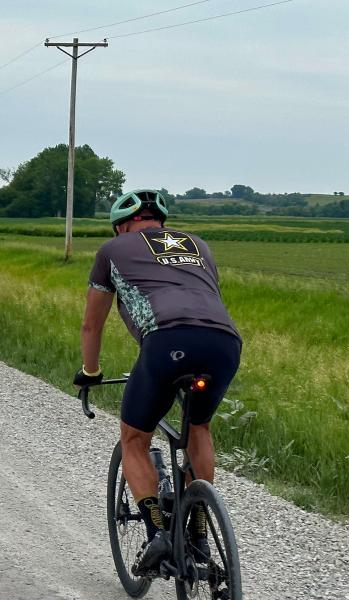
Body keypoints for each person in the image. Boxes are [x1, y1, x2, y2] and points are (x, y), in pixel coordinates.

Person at [74, 188, 241, 573]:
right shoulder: (199, 245)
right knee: (199, 427)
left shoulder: (111, 251)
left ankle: (158, 535)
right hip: (223, 342)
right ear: (159, 221)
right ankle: (198, 530)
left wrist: (91, 371)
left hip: (167, 341)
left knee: (134, 438)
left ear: (121, 225)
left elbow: (91, 323)